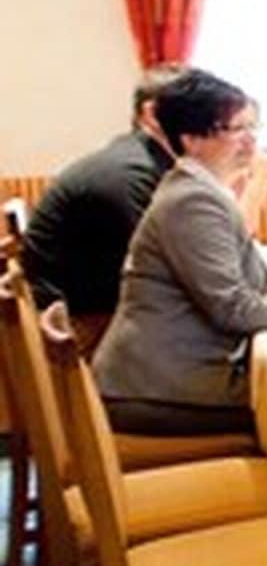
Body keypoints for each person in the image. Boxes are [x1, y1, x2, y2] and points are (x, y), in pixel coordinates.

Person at [93, 70, 267, 436]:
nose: (250, 141)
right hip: (161, 390)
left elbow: (246, 283)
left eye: (252, 128)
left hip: (171, 375)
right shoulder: (192, 201)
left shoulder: (200, 190)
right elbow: (235, 310)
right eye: (235, 129)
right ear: (191, 139)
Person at [20, 65, 184, 352]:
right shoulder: (129, 174)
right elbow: (168, 273)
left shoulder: (136, 161)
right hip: (82, 332)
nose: (214, 126)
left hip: (92, 315)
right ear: (152, 114)